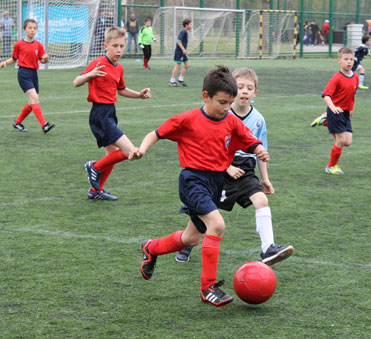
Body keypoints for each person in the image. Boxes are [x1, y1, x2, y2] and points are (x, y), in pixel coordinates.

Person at [130, 66, 269, 308]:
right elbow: (156, 133)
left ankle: (151, 248)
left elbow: (250, 140)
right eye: (222, 102)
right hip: (193, 181)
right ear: (206, 96)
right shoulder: (187, 120)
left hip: (215, 183)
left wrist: (259, 149)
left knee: (191, 239)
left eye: (230, 103)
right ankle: (208, 287)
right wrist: (141, 149)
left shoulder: (231, 121)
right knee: (217, 224)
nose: (227, 108)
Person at [175, 67, 294, 265]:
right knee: (204, 218)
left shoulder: (258, 120)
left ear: (255, 93)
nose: (245, 91)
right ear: (230, 90)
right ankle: (187, 244)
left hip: (246, 170)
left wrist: (264, 178)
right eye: (240, 87)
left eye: (250, 88)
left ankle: (268, 248)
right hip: (218, 171)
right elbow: (210, 149)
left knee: (261, 201)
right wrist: (226, 167)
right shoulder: (219, 115)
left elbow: (260, 150)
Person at [74, 26, 151, 201]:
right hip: (100, 113)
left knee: (113, 155)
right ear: (105, 45)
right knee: (129, 151)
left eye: (122, 46)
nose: (119, 50)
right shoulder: (99, 63)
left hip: (110, 113)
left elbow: (121, 89)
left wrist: (138, 95)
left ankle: (95, 191)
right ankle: (94, 166)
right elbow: (76, 82)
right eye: (115, 45)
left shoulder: (119, 68)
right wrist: (90, 75)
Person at [0, 19, 54, 134]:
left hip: (34, 74)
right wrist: (5, 62)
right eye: (30, 28)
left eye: (34, 28)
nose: (32, 30)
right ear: (24, 30)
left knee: (31, 103)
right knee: (35, 98)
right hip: (23, 73)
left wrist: (46, 58)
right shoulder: (19, 44)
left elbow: (42, 60)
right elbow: (14, 58)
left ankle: (18, 122)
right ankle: (44, 125)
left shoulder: (38, 45)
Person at [316, 47, 359, 175]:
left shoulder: (355, 76)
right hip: (335, 112)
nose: (349, 62)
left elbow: (352, 94)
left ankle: (326, 122)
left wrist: (351, 108)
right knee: (341, 141)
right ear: (339, 61)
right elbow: (326, 95)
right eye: (346, 59)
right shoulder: (337, 78)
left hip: (345, 112)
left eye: (351, 59)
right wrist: (333, 107)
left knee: (348, 142)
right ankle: (331, 166)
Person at [169, 18, 191, 87]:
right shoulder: (183, 32)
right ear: (186, 25)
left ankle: (180, 79)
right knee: (178, 65)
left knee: (187, 64)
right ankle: (172, 81)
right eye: (190, 24)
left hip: (183, 52)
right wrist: (183, 49)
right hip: (179, 52)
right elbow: (178, 41)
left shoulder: (186, 32)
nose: (191, 26)